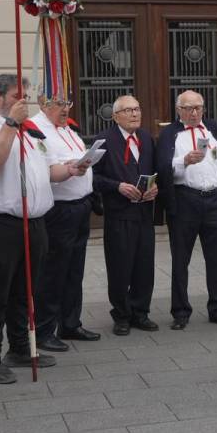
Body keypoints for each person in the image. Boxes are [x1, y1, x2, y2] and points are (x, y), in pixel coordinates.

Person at [0, 75, 85, 385]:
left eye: (26, 95)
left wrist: (72, 169)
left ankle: (19, 347)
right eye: (18, 95)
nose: (25, 101)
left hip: (35, 221)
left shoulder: (30, 132)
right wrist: (10, 125)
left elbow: (47, 172)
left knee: (25, 290)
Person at [156, 90, 217, 330]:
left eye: (198, 108)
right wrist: (184, 161)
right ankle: (180, 311)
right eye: (188, 108)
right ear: (178, 110)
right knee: (181, 258)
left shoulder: (214, 129)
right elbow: (162, 167)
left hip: (215, 200)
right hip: (185, 200)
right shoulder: (170, 134)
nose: (193, 113)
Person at [29, 95, 102, 352]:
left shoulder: (67, 128)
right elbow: (45, 170)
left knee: (74, 270)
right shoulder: (37, 130)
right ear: (42, 103)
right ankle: (44, 330)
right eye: (59, 104)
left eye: (67, 104)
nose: (65, 109)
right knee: (53, 272)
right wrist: (70, 168)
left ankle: (70, 323)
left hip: (80, 205)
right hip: (59, 210)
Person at [92, 94, 160, 335]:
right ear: (115, 116)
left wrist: (154, 188)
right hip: (119, 214)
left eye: (137, 109)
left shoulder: (146, 138)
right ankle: (121, 315)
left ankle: (140, 312)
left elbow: (155, 171)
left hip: (144, 212)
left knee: (144, 265)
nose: (135, 114)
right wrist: (117, 186)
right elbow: (92, 177)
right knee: (120, 266)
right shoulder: (104, 140)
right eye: (128, 110)